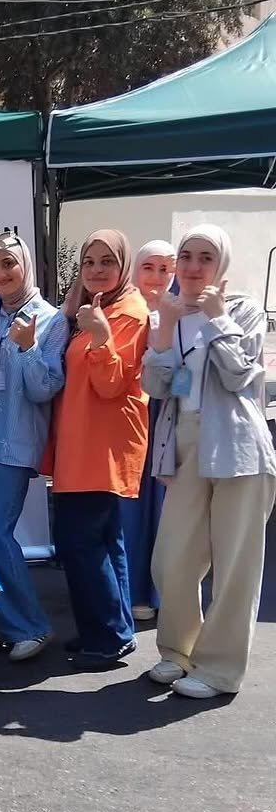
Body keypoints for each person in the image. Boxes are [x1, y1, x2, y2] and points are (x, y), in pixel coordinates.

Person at [143, 225, 276, 699]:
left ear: (222, 264)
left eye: (206, 257)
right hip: (185, 443)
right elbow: (156, 386)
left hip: (238, 444)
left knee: (236, 565)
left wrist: (218, 319)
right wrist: (164, 326)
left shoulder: (242, 309)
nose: (194, 266)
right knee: (171, 559)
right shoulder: (171, 312)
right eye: (186, 256)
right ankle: (178, 650)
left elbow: (240, 376)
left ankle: (219, 669)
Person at [50, 230, 150, 669]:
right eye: (89, 262)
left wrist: (100, 335)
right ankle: (110, 630)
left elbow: (111, 384)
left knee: (82, 543)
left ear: (123, 265)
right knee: (104, 542)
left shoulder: (128, 313)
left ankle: (108, 636)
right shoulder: (95, 307)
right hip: (83, 441)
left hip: (100, 446)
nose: (96, 270)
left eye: (107, 261)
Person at [0, 231, 69, 661]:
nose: (0, 274)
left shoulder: (51, 320)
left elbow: (45, 389)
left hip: (15, 441)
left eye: (8, 264)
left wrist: (28, 348)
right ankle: (2, 617)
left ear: (25, 264)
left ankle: (31, 625)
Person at [121, 239, 176, 620]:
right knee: (130, 508)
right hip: (130, 418)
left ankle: (160, 592)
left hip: (167, 417)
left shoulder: (182, 314)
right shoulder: (125, 311)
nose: (157, 277)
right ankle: (132, 589)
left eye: (165, 269)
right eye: (149, 267)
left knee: (164, 508)